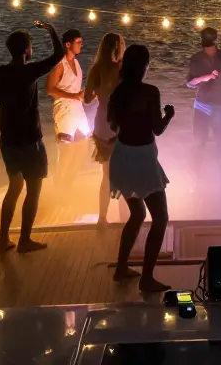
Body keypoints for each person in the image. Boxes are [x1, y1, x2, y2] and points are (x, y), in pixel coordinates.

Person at [0, 20, 64, 254]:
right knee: (33, 190)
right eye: (30, 45)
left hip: (8, 141)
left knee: (14, 187)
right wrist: (51, 30)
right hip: (30, 141)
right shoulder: (29, 71)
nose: (32, 49)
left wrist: (7, 106)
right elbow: (58, 55)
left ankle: (3, 239)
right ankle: (25, 240)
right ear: (26, 50)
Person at [108, 44, 175, 293]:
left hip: (122, 157)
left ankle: (121, 267)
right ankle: (146, 278)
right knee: (161, 218)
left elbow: (115, 125)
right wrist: (169, 115)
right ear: (144, 66)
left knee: (137, 214)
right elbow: (157, 129)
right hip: (143, 160)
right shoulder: (149, 92)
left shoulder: (119, 93)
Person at [185, 27, 221, 171]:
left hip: (218, 104)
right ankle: (197, 172)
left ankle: (219, 171)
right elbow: (190, 83)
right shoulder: (197, 59)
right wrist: (207, 77)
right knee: (200, 141)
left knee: (220, 142)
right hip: (204, 103)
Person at [83, 32, 126, 225]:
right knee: (124, 175)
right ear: (119, 47)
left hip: (101, 124)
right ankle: (126, 219)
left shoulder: (96, 69)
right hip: (119, 123)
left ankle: (102, 217)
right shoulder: (122, 69)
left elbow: (87, 99)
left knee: (106, 175)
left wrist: (100, 92)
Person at [47, 29, 90, 143]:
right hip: (63, 110)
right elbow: (50, 89)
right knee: (66, 147)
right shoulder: (60, 64)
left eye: (81, 42)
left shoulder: (76, 62)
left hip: (78, 109)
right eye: (78, 42)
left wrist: (85, 94)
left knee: (85, 143)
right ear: (68, 44)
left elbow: (73, 87)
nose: (81, 45)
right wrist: (75, 96)